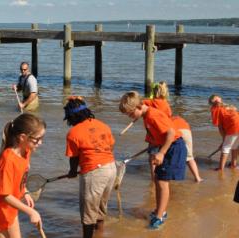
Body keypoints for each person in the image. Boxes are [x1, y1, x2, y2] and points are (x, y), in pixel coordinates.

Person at [119, 91, 187, 230]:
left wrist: (161, 153)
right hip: (165, 146)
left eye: (131, 114)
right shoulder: (146, 116)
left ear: (139, 107)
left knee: (162, 182)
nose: (130, 117)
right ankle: (159, 211)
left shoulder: (153, 115)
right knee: (158, 179)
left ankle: (160, 216)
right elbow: (157, 134)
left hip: (174, 147)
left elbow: (171, 133)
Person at [0, 113, 46, 237]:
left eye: (42, 138)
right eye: (37, 139)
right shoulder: (8, 160)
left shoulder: (27, 151)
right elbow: (5, 195)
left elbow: (20, 176)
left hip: (10, 207)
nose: (40, 143)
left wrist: (24, 191)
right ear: (22, 137)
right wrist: (30, 212)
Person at [63, 96, 116, 238]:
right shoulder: (102, 125)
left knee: (88, 211)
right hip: (111, 168)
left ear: (73, 116)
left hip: (95, 172)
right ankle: (100, 233)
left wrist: (72, 172)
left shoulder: (74, 132)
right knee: (100, 205)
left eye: (69, 118)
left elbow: (74, 158)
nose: (69, 122)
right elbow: (110, 145)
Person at [143, 81, 202, 182]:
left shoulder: (150, 102)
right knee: (189, 157)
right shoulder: (166, 104)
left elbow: (140, 104)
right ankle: (197, 178)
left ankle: (154, 179)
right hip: (183, 129)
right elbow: (168, 117)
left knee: (153, 156)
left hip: (164, 131)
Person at [208, 94, 239, 170]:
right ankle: (233, 165)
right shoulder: (227, 106)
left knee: (226, 147)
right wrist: (225, 140)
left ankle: (220, 168)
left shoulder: (215, 109)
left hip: (234, 126)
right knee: (234, 146)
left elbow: (220, 127)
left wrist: (224, 140)